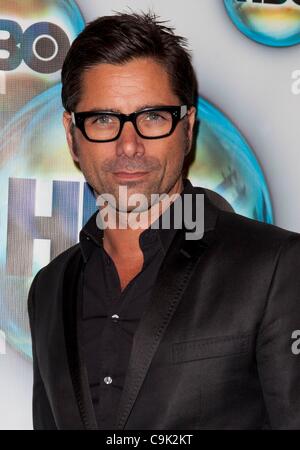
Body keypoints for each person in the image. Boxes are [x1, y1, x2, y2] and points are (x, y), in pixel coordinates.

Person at [27, 10, 300, 430]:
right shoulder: (48, 288)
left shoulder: (275, 266)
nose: (129, 145)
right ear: (71, 135)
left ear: (187, 127)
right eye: (103, 119)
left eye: (152, 117)